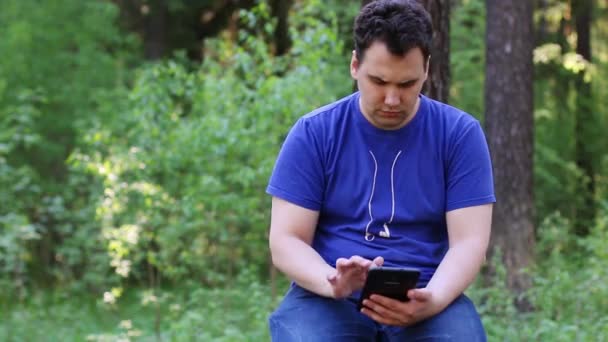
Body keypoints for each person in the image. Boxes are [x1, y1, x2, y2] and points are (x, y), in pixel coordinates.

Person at [266, 0, 495, 340]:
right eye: (379, 81)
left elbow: (469, 243)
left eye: (406, 84)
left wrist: (431, 301)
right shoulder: (315, 132)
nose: (391, 99)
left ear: (427, 70)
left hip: (429, 292)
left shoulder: (459, 135)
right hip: (327, 297)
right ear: (355, 65)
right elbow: (286, 240)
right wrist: (332, 282)